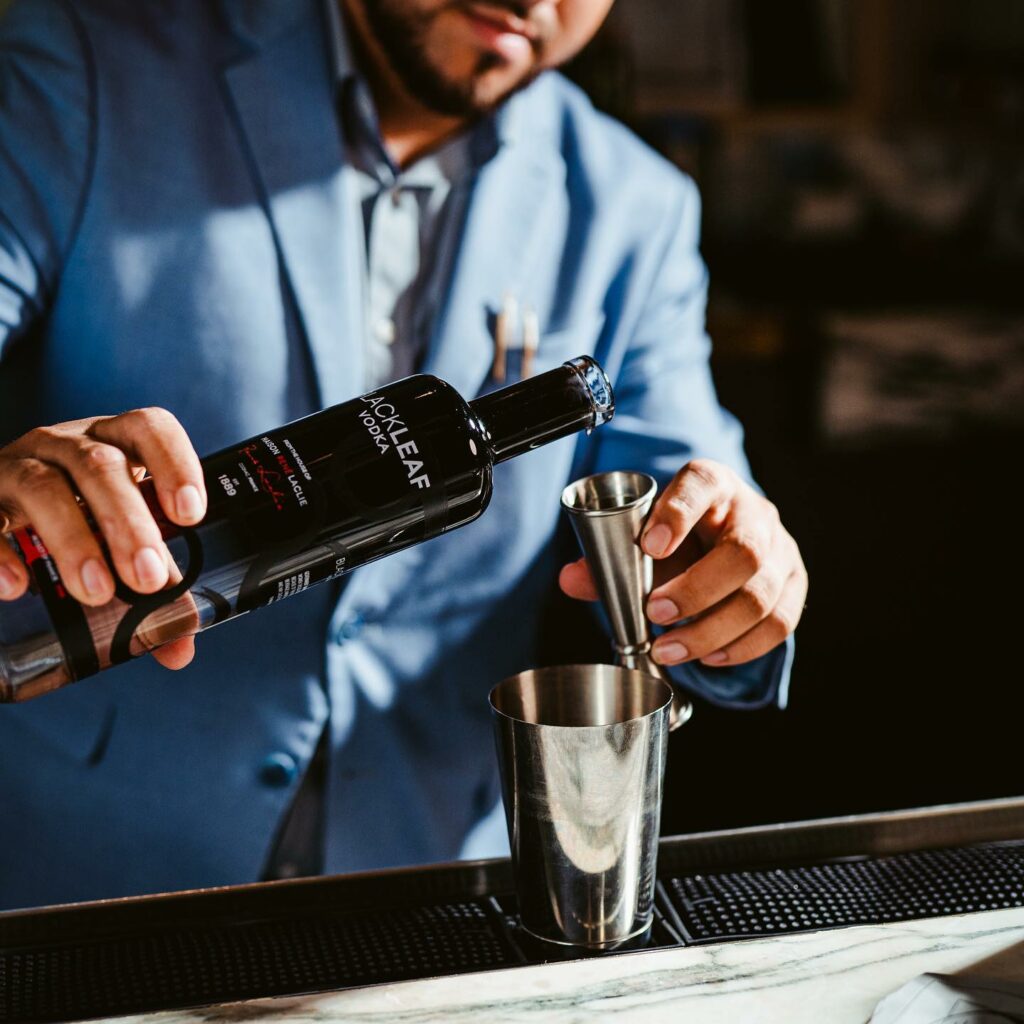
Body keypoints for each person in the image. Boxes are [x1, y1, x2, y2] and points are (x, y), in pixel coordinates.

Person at [0, 0, 807, 909]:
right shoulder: (83, 67)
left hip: (427, 894)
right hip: (73, 880)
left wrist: (734, 580)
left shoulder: (636, 205)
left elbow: (690, 501)